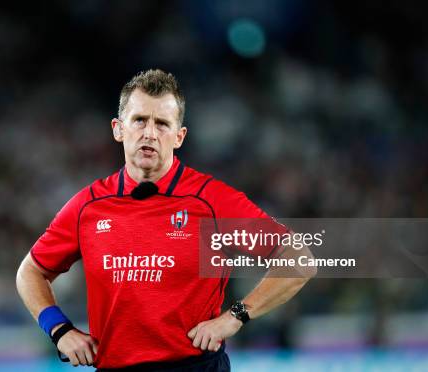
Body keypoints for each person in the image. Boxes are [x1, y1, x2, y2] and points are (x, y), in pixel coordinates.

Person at [16, 69, 316, 371]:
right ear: (118, 129)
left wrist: (235, 316)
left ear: (179, 136)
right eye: (139, 120)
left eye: (162, 124)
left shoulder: (211, 201)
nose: (149, 133)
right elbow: (30, 272)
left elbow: (299, 257)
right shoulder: (87, 206)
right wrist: (60, 329)